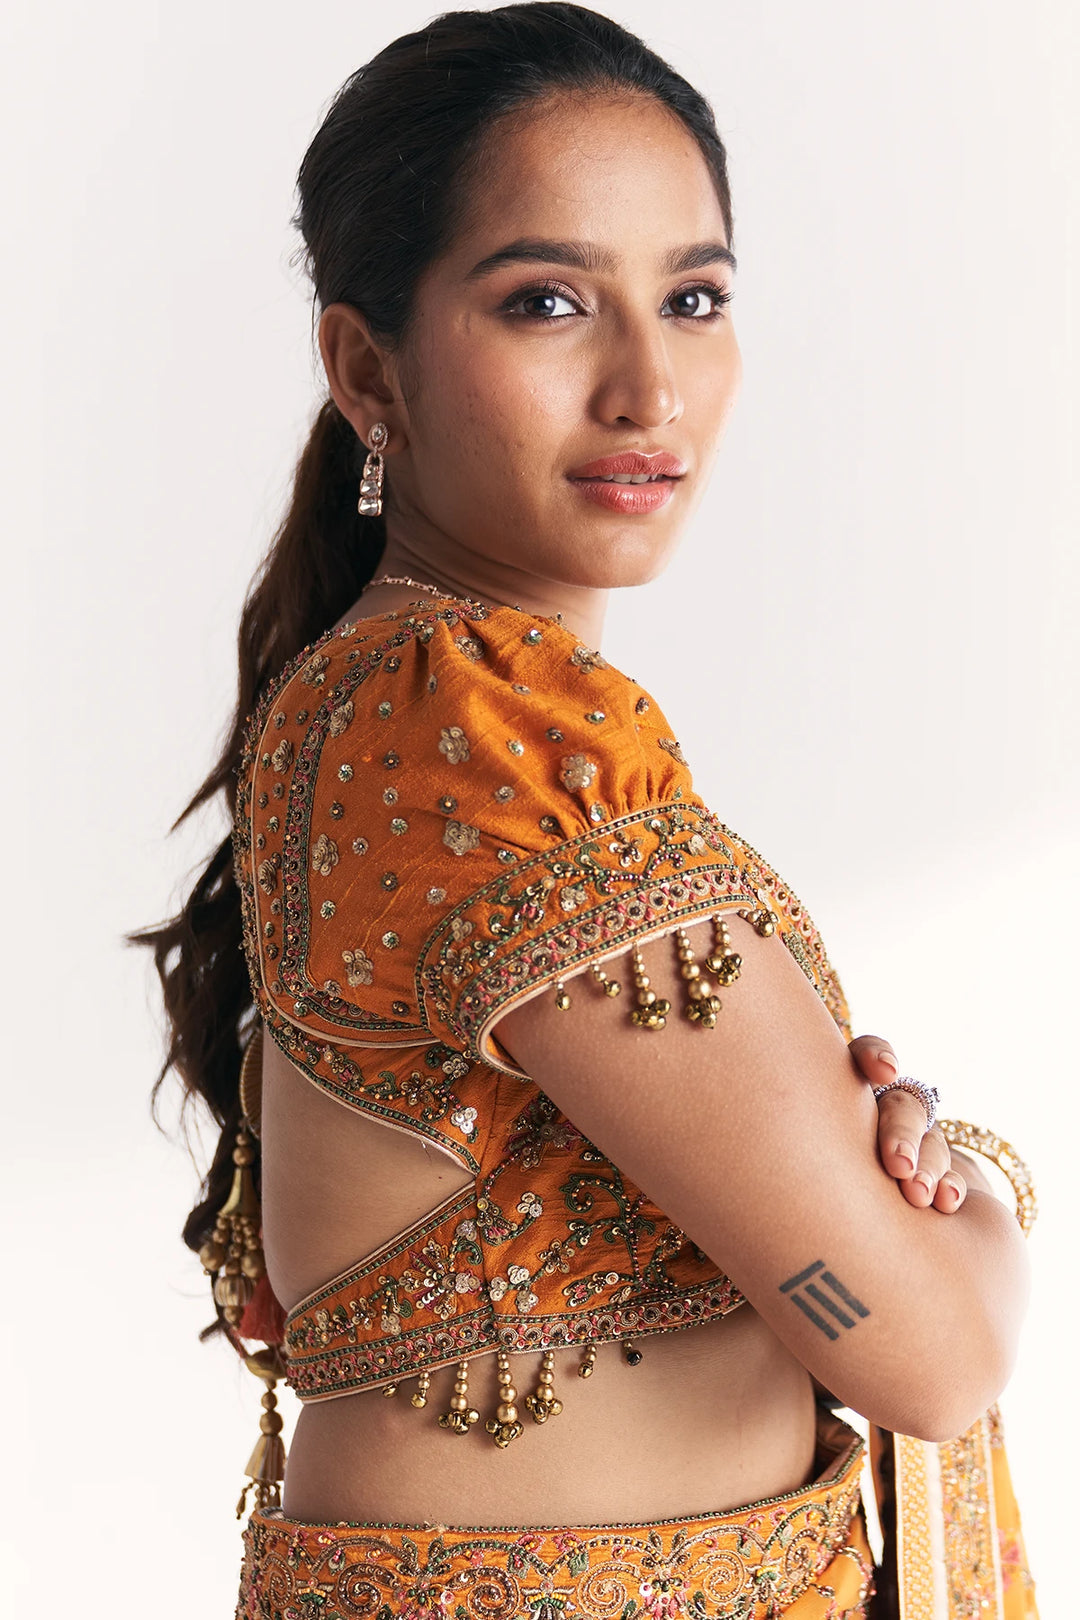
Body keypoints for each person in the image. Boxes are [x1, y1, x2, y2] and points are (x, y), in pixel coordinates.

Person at [138, 6, 1039, 1615]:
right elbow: (927, 1352)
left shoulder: (388, 697)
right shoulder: (477, 717)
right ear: (368, 368)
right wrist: (971, 1188)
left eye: (692, 298)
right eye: (548, 301)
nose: (648, 384)